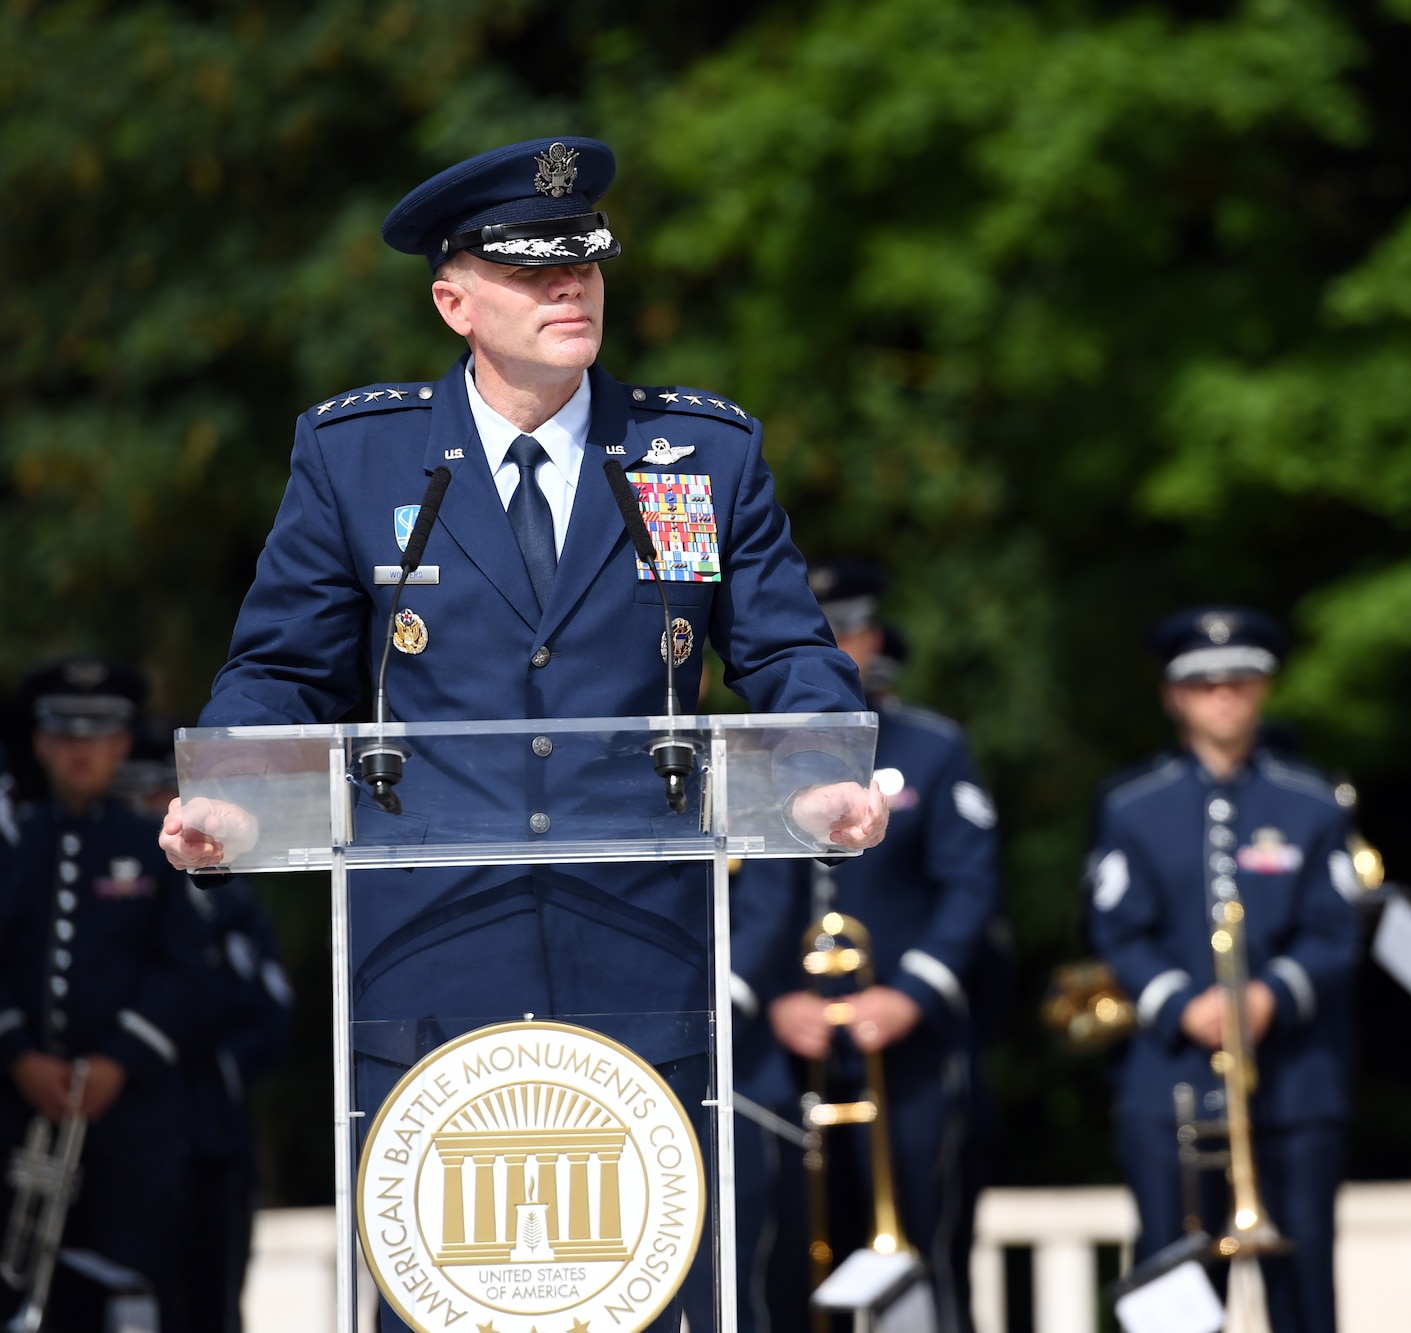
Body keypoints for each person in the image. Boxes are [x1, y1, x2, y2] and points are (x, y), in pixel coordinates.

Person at [153, 138, 889, 1330]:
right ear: (454, 302)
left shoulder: (697, 453)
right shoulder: (361, 457)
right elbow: (280, 666)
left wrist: (814, 769)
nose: (571, 288)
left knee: (648, 1292)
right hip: (433, 944)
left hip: (639, 945)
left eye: (584, 264)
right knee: (443, 1294)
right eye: (530, 271)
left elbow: (785, 652)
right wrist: (230, 792)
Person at [729, 561, 1002, 1332]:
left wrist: (909, 993)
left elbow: (970, 888)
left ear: (872, 636)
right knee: (780, 1259)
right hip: (778, 1048)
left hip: (901, 1046)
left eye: (843, 630)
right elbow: (742, 902)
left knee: (926, 1250)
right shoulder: (747, 756)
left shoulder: (934, 747)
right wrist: (775, 997)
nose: (830, 647)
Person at [1088, 608, 1359, 1333]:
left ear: (1263, 688)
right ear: (1176, 696)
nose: (1225, 696)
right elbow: (1118, 928)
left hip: (1294, 1085)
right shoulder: (1132, 807)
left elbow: (1336, 929)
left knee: (1304, 1295)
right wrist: (1183, 1005)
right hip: (1171, 1082)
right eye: (1205, 684)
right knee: (1173, 1296)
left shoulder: (1311, 804)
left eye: (1240, 680)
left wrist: (1272, 994)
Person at [0, 659, 207, 1330]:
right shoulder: (16, 846)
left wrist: (120, 1059)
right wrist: (18, 1055)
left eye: (98, 734)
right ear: (39, 742)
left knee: (136, 1276)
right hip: (24, 1106)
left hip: (130, 1111)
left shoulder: (153, 848)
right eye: (64, 733)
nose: (80, 750)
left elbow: (182, 965)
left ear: (122, 743)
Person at [178, 878, 291, 1333]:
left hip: (216, 1134)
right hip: (127, 1127)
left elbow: (273, 1011)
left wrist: (223, 1070)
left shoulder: (230, 900)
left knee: (215, 1300)